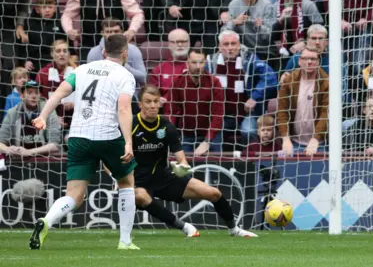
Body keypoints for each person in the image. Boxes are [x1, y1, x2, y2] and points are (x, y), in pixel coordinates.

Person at [28, 34, 140, 250]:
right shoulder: (125, 75)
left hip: (78, 136)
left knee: (74, 195)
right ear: (125, 53)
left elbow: (60, 91)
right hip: (107, 135)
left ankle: (47, 221)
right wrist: (128, 142)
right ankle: (125, 241)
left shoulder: (82, 69)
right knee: (126, 182)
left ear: (104, 52)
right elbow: (124, 108)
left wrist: (43, 115)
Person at [132, 85, 257, 238]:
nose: (152, 105)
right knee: (140, 196)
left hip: (162, 177)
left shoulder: (167, 126)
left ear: (160, 103)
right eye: (148, 101)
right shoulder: (130, 126)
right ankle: (185, 227)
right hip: (137, 181)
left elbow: (181, 158)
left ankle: (234, 229)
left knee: (214, 193)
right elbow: (113, 155)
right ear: (140, 104)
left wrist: (183, 167)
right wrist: (115, 175)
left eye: (155, 101)